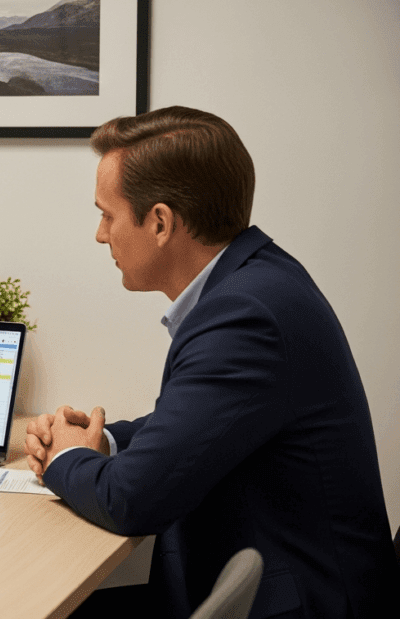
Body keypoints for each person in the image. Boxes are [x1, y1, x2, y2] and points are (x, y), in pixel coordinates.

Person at [24, 106, 399, 618]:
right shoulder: (258, 279)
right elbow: (203, 418)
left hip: (300, 603)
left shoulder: (245, 315)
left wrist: (65, 459)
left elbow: (133, 500)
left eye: (108, 214)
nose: (100, 234)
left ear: (159, 222)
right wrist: (103, 438)